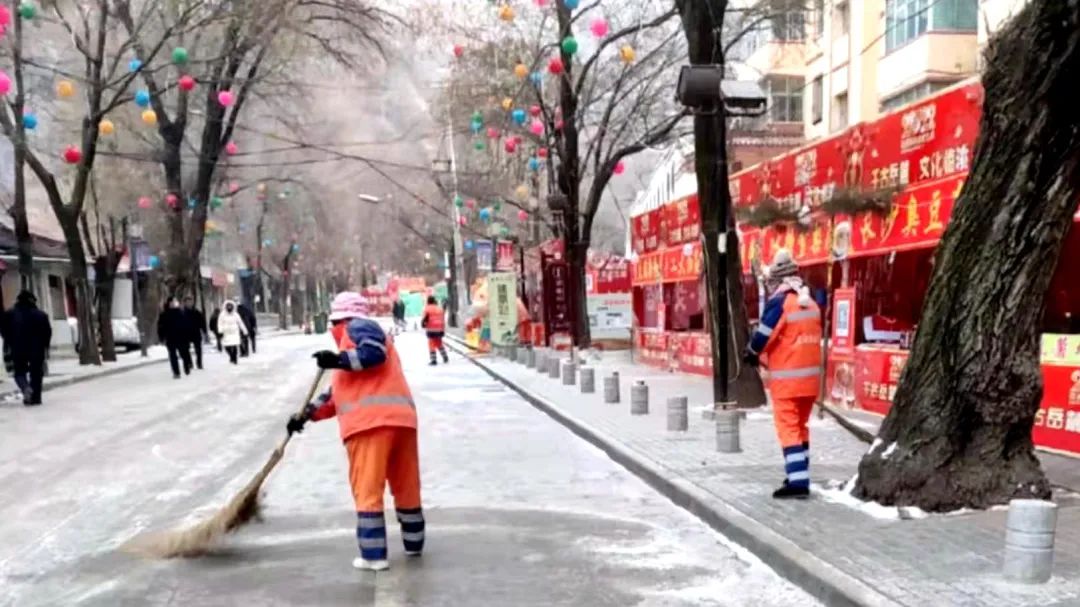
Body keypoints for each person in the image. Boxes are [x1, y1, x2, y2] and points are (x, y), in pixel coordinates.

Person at [287, 292, 424, 572]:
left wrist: (337, 360)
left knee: (367, 490)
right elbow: (335, 396)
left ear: (339, 318)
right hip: (402, 422)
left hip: (369, 426)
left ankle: (373, 556)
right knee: (406, 486)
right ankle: (414, 544)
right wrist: (305, 415)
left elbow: (372, 354)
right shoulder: (353, 351)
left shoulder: (358, 327)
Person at [743, 250, 823, 500]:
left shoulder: (781, 302)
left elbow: (765, 334)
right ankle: (800, 473)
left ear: (776, 279)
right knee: (800, 427)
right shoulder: (810, 301)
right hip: (810, 381)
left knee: (788, 428)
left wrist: (752, 352)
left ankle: (798, 482)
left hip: (788, 380)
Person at [0, 290, 52, 405]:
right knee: (36, 373)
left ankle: (25, 388)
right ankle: (36, 398)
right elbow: (47, 333)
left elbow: (3, 330)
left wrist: (9, 341)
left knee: (19, 372)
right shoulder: (41, 315)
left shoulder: (9, 314)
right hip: (37, 349)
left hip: (17, 348)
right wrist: (46, 347)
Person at [158, 297, 193, 379]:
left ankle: (186, 365)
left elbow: (186, 324)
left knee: (183, 354)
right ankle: (176, 372)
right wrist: (161, 337)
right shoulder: (164, 314)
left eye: (174, 302)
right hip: (170, 338)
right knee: (172, 356)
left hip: (181, 337)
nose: (173, 304)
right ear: (169, 303)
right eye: (172, 302)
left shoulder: (180, 313)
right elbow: (160, 327)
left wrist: (188, 335)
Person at [217, 300, 248, 364]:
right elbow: (220, 323)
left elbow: (240, 323)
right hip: (226, 332)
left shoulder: (236, 314)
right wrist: (220, 331)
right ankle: (231, 356)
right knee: (227, 346)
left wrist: (245, 331)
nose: (229, 307)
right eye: (228, 306)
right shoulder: (222, 315)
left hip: (234, 332)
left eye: (230, 306)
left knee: (234, 346)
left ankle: (235, 358)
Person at [421, 296, 449, 366]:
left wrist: (423, 324)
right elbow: (442, 318)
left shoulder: (427, 309)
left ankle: (433, 359)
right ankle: (444, 356)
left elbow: (424, 318)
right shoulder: (439, 308)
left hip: (431, 328)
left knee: (431, 343)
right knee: (439, 342)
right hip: (440, 328)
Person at [183, 296, 208, 370]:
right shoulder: (182, 312)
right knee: (186, 349)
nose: (189, 303)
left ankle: (199, 363)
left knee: (198, 349)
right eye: (187, 302)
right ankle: (189, 362)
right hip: (185, 333)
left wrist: (204, 331)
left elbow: (202, 322)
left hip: (196, 333)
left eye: (190, 302)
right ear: (184, 303)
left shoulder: (196, 312)